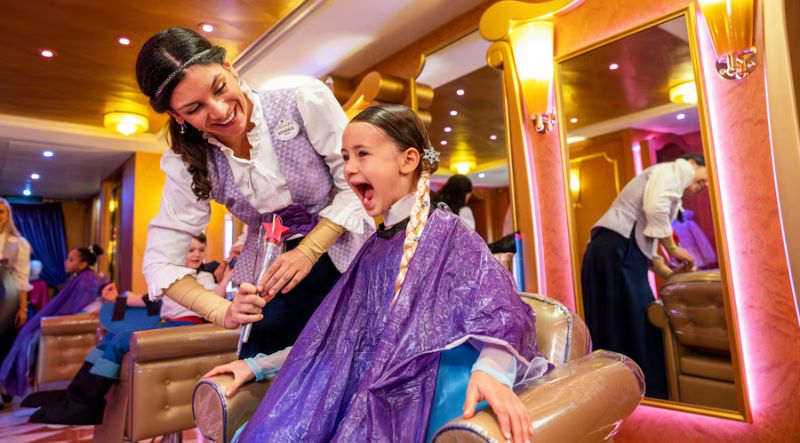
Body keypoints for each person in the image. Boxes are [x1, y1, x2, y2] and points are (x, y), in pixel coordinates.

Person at [204, 105, 549, 443]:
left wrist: (492, 371)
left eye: (362, 154)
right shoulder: (375, 247)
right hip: (367, 385)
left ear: (408, 160)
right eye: (345, 156)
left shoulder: (447, 233)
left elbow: (502, 313)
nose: (349, 168)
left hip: (423, 389)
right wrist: (258, 366)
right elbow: (335, 338)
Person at [135, 28, 373, 358]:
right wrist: (222, 310)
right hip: (273, 277)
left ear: (231, 68)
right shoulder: (188, 160)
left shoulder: (301, 99)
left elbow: (358, 183)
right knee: (268, 373)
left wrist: (307, 251)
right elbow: (160, 262)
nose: (219, 111)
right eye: (194, 108)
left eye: (220, 88)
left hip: (348, 254)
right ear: (178, 117)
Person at [26, 235, 223, 425]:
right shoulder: (171, 275)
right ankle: (74, 394)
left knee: (122, 340)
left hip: (190, 325)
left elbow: (215, 300)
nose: (197, 254)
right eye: (191, 250)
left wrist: (225, 279)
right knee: (109, 339)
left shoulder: (204, 276)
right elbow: (146, 299)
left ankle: (86, 401)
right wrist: (115, 298)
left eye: (201, 250)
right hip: (169, 323)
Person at [580, 153, 708, 399]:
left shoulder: (667, 182)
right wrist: (672, 248)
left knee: (622, 323)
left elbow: (645, 249)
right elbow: (655, 207)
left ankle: (624, 393)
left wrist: (671, 273)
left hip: (614, 254)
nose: (704, 187)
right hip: (614, 252)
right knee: (635, 322)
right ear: (692, 164)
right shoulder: (674, 169)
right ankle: (641, 393)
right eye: (704, 180)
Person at [0, 245, 104, 399]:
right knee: (27, 334)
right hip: (65, 322)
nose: (65, 263)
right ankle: (9, 384)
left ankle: (12, 383)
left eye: (71, 260)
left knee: (30, 337)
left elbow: (77, 308)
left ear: (83, 265)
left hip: (69, 326)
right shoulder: (82, 277)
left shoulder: (86, 281)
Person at [0, 198, 32, 408]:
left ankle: (4, 386)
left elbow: (22, 279)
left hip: (8, 295)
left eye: (1, 212)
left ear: (7, 216)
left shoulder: (19, 243)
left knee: (4, 343)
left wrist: (23, 307)